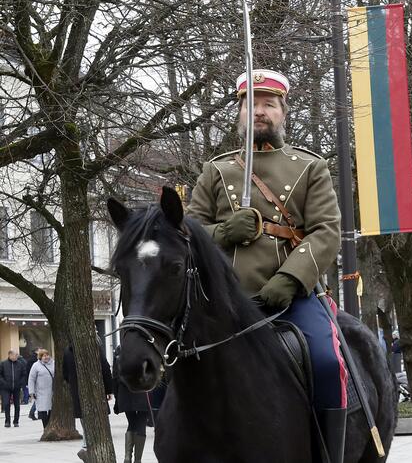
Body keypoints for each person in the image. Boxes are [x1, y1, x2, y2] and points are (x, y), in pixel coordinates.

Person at [186, 69, 347, 463]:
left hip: (290, 298)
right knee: (171, 363)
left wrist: (291, 279)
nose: (260, 111)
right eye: (252, 104)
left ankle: (330, 454)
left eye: (268, 104)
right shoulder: (216, 170)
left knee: (328, 364)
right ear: (240, 111)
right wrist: (223, 232)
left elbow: (327, 231)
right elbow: (186, 232)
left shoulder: (310, 167)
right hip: (223, 301)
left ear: (282, 111)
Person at [63, 342, 113, 461]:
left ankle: (87, 445)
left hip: (77, 391)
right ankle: (87, 447)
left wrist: (73, 384)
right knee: (97, 418)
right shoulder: (94, 347)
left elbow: (64, 373)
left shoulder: (67, 351)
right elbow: (105, 369)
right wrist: (109, 389)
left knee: (84, 417)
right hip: (95, 390)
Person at [113, 345, 149, 463]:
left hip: (125, 393)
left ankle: (127, 457)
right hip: (142, 392)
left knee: (132, 423)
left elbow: (115, 376)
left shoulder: (119, 349)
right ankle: (137, 460)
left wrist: (116, 397)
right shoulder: (144, 348)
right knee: (141, 424)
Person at [27, 349, 55, 428]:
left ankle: (49, 426)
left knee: (51, 408)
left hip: (52, 391)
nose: (46, 357)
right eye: (43, 356)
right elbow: (31, 379)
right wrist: (31, 392)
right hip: (40, 392)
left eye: (47, 355)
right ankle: (45, 427)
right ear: (40, 357)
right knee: (42, 409)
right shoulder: (36, 365)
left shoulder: (53, 363)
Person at [0, 349, 27, 427]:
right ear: (10, 355)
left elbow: (24, 374)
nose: (17, 356)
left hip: (16, 387)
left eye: (17, 355)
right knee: (6, 404)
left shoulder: (20, 364)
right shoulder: (3, 364)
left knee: (17, 405)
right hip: (5, 388)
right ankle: (7, 421)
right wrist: (4, 383)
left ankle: (16, 421)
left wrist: (20, 384)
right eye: (15, 355)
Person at [26, 348, 41, 420]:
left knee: (38, 398)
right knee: (39, 398)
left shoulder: (32, 359)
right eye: (40, 350)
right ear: (36, 351)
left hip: (35, 381)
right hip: (36, 381)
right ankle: (32, 413)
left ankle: (33, 413)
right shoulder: (34, 360)